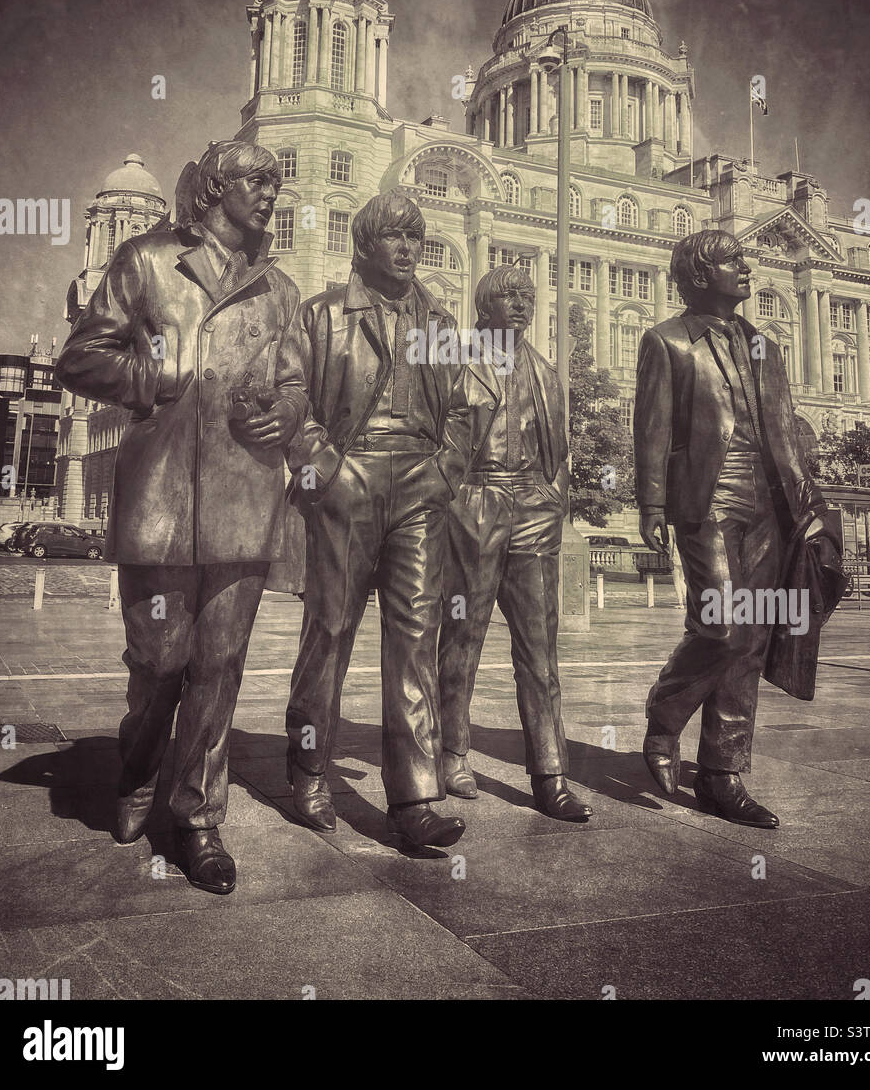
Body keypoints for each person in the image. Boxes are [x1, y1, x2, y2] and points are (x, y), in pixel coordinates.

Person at [55, 140, 307, 893]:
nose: (269, 191)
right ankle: (137, 768)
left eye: (275, 181)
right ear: (214, 189)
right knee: (162, 660)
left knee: (219, 666)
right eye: (256, 180)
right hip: (162, 493)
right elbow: (79, 358)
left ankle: (199, 817)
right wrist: (156, 376)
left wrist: (287, 413)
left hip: (247, 496)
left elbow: (297, 384)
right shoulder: (145, 260)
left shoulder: (281, 289)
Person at [284, 190, 467, 849]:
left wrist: (449, 470)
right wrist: (325, 469)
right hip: (350, 475)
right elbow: (289, 400)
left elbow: (465, 409)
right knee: (329, 631)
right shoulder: (323, 314)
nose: (409, 246)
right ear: (363, 244)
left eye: (416, 236)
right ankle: (307, 768)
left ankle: (415, 800)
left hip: (422, 482)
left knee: (416, 638)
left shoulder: (441, 323)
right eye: (395, 235)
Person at [634, 230, 829, 828]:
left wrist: (806, 498)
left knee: (753, 636)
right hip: (707, 497)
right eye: (732, 261)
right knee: (720, 624)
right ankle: (665, 715)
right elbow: (652, 429)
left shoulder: (763, 342)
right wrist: (651, 505)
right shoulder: (667, 341)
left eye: (745, 259)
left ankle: (722, 773)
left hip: (771, 502)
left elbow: (784, 424)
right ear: (698, 276)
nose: (746, 269)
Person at [437, 265, 592, 821]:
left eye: (528, 296)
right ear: (485, 304)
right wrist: (450, 499)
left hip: (533, 506)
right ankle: (451, 750)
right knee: (463, 636)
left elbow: (558, 452)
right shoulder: (455, 358)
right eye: (509, 296)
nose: (522, 304)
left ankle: (550, 773)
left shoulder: (547, 373)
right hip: (473, 501)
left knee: (539, 649)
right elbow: (435, 438)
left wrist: (551, 501)